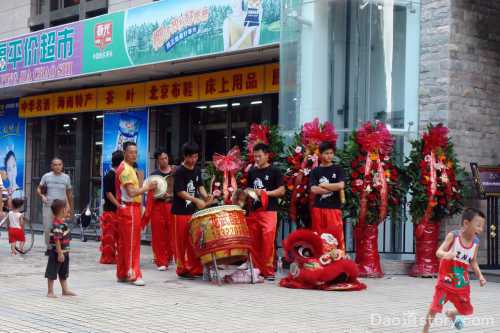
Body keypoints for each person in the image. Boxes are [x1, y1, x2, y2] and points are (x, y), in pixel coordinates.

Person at [422, 208, 487, 333]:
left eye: (482, 226)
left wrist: (480, 276)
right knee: (435, 307)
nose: (481, 229)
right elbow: (438, 252)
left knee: (467, 309)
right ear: (466, 223)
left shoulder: (476, 242)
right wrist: (446, 255)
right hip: (445, 281)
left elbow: (473, 261)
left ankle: (451, 313)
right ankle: (425, 329)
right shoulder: (454, 236)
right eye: (478, 225)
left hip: (461, 283)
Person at [115, 141, 156, 286]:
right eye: (131, 152)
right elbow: (132, 192)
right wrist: (147, 187)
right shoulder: (126, 170)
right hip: (130, 209)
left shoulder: (128, 168)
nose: (134, 155)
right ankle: (133, 274)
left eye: (135, 152)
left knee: (124, 243)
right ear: (125, 152)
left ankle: (122, 273)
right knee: (132, 244)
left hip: (128, 208)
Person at [172, 142, 215, 278]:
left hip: (192, 212)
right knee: (181, 242)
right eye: (191, 157)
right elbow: (180, 192)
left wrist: (205, 195)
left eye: (196, 157)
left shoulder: (196, 170)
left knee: (193, 241)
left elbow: (199, 186)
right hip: (180, 212)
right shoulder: (179, 171)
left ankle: (195, 268)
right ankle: (182, 269)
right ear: (185, 156)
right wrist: (196, 200)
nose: (194, 160)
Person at [246, 143, 285, 281]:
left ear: (267, 155)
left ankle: (268, 270)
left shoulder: (275, 171)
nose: (256, 159)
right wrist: (251, 193)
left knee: (268, 240)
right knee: (254, 241)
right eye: (255, 156)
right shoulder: (251, 171)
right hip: (254, 211)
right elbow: (249, 190)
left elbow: (282, 190)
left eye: (259, 156)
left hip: (269, 211)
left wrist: (264, 193)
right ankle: (256, 270)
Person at [142, 148, 175, 271]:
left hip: (171, 206)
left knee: (171, 233)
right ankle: (161, 261)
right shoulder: (153, 176)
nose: (165, 160)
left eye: (166, 158)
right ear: (157, 161)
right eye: (162, 159)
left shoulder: (175, 172)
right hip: (157, 206)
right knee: (158, 234)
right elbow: (149, 193)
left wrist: (171, 196)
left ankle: (169, 256)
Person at [309, 141, 346, 250]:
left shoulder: (338, 169)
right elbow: (313, 189)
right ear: (320, 154)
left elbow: (341, 185)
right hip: (318, 209)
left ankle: (338, 262)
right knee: (318, 236)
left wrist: (324, 185)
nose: (329, 155)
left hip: (333, 209)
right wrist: (331, 188)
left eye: (331, 153)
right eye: (326, 153)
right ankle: (320, 263)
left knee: (336, 236)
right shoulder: (315, 171)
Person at [37, 158, 73, 255]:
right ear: (52, 166)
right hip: (48, 205)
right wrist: (42, 196)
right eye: (55, 165)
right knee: (48, 227)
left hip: (61, 207)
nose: (57, 166)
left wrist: (70, 207)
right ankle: (49, 247)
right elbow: (39, 189)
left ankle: (60, 247)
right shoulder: (46, 176)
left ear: (62, 165)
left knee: (60, 227)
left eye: (59, 164)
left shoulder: (66, 177)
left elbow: (69, 193)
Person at [45, 199, 76, 298]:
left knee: (63, 272)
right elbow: (57, 240)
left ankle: (65, 290)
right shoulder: (57, 225)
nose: (68, 210)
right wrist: (60, 253)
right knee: (52, 272)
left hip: (64, 252)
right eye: (67, 208)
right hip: (57, 253)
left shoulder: (63, 223)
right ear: (62, 210)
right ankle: (50, 291)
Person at [99, 150, 124, 264]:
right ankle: (108, 257)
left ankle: (117, 256)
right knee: (109, 236)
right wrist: (118, 205)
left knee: (119, 235)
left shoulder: (120, 175)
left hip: (118, 209)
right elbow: (108, 194)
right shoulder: (109, 175)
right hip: (111, 210)